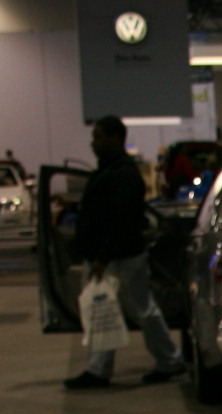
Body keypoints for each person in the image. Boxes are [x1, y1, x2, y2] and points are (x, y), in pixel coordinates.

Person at [64, 115, 184, 389]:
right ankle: (102, 368)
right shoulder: (111, 170)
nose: (93, 143)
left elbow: (122, 220)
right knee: (106, 310)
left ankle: (166, 361)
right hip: (112, 256)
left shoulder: (122, 174)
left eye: (98, 137)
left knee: (137, 310)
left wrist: (102, 258)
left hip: (119, 258)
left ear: (115, 138)